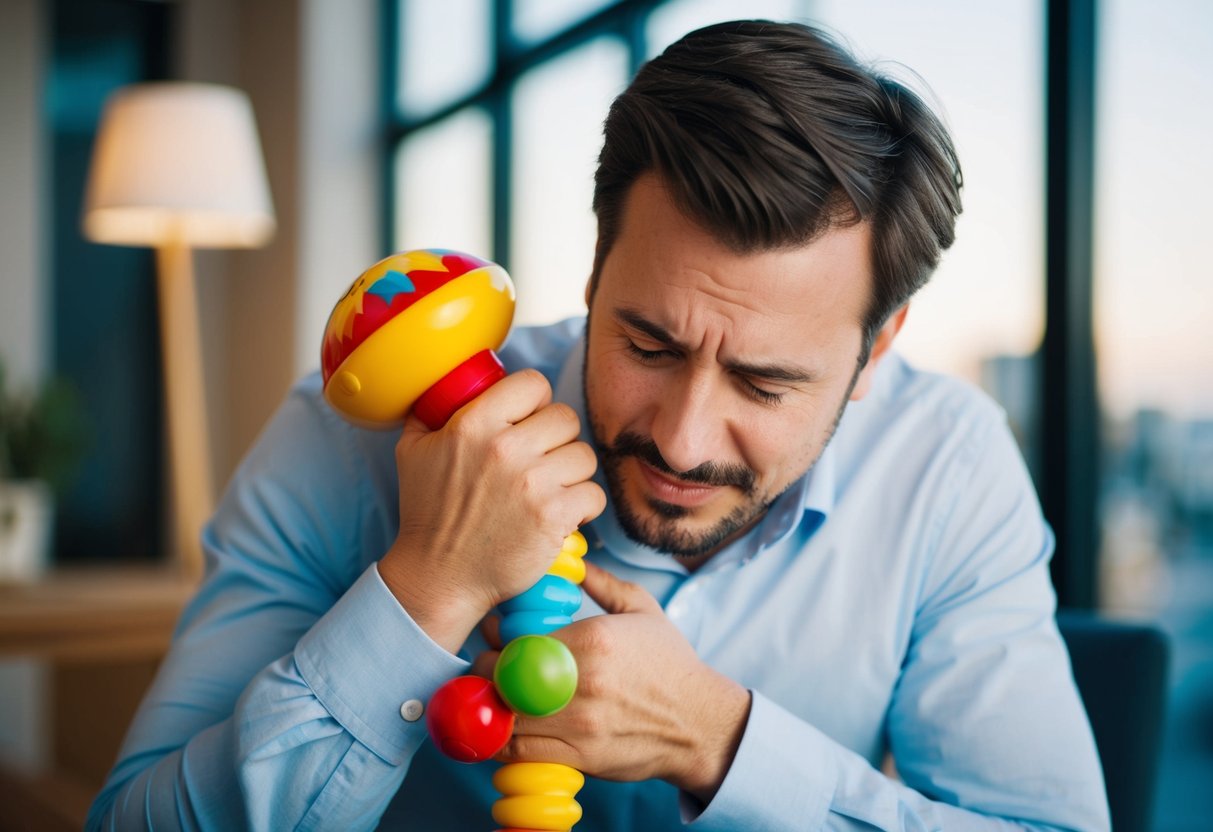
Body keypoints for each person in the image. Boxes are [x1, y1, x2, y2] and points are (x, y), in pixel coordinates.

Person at [89, 19, 1110, 831]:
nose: (681, 436)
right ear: (591, 270)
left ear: (874, 349)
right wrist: (425, 589)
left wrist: (719, 738)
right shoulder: (345, 438)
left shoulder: (947, 467)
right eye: (649, 345)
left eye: (762, 383)